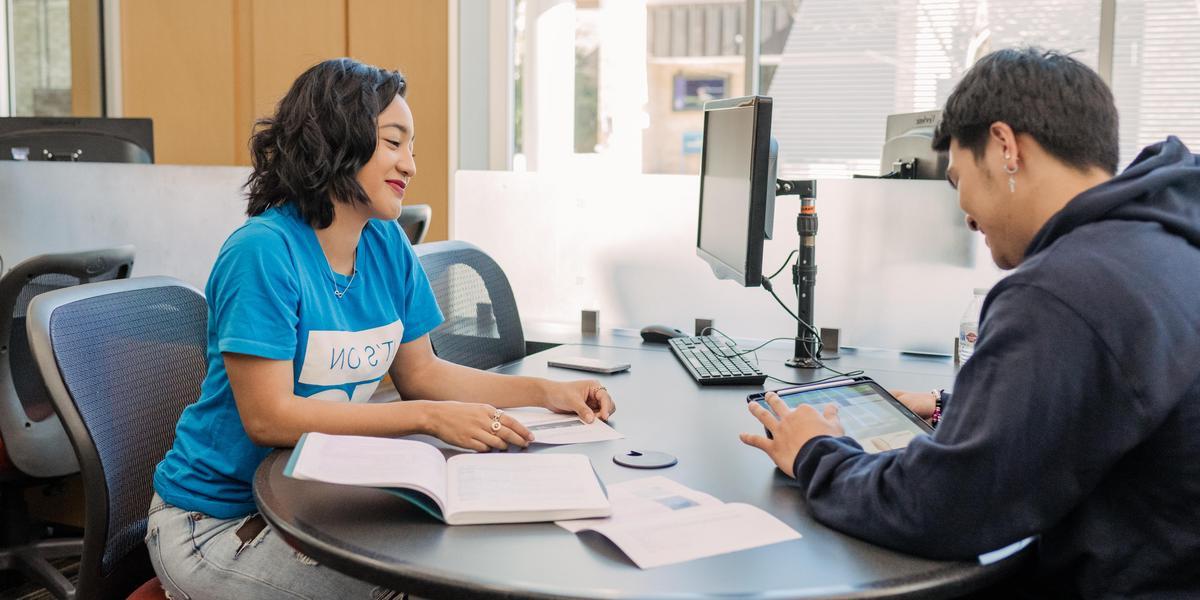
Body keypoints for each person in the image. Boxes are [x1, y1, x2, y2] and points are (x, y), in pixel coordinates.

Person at [146, 58, 616, 600]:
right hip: (218, 524)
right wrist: (428, 418)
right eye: (395, 142)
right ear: (336, 138)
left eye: (412, 147)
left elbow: (424, 373)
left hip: (314, 504)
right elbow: (268, 418)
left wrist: (545, 392)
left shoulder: (385, 244)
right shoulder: (262, 252)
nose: (410, 165)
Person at [740, 47, 1200, 597]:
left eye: (957, 178)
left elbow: (939, 509)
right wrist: (951, 408)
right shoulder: (1159, 243)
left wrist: (814, 452)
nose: (963, 210)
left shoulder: (1062, 290)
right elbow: (1104, 407)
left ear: (1006, 148)